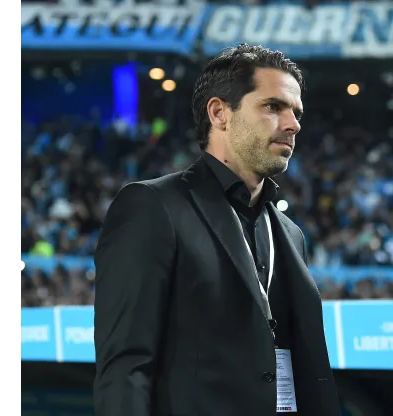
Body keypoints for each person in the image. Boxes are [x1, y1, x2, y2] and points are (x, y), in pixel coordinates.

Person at [93, 44, 340, 416]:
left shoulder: (289, 233)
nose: (293, 125)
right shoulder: (153, 206)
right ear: (220, 113)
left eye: (296, 112)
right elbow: (126, 366)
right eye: (274, 106)